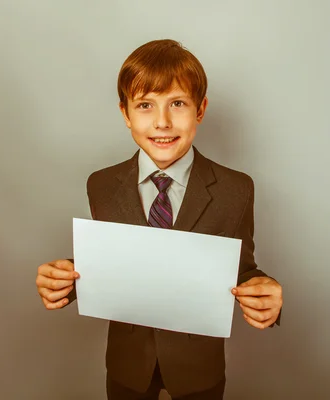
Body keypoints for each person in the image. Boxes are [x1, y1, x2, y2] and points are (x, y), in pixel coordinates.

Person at [35, 39, 283, 400]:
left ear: (200, 110)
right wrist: (66, 279)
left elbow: (241, 269)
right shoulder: (101, 185)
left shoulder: (236, 189)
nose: (162, 122)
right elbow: (114, 262)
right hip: (127, 364)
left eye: (178, 104)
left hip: (198, 366)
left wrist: (266, 292)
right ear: (125, 113)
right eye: (145, 105)